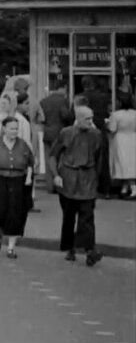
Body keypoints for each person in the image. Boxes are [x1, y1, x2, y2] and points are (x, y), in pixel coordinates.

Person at [50, 105, 107, 265]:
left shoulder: (96, 135)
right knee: (69, 216)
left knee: (87, 216)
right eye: (87, 119)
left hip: (87, 178)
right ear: (78, 119)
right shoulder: (66, 133)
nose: (91, 122)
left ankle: (90, 250)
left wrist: (97, 179)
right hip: (68, 177)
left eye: (92, 118)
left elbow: (99, 159)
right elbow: (53, 155)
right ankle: (70, 248)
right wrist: (56, 175)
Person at [0, 116, 35, 258]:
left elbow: (31, 163)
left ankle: (11, 247)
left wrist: (29, 178)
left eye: (16, 129)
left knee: (16, 213)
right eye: (11, 128)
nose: (14, 131)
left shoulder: (23, 145)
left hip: (18, 181)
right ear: (4, 129)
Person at [36, 82, 73, 191]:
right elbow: (65, 115)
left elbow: (41, 118)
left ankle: (50, 185)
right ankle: (59, 185)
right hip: (59, 133)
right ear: (63, 88)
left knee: (48, 158)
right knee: (58, 158)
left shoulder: (43, 101)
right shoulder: (62, 101)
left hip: (47, 133)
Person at [107, 92, 136, 199]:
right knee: (132, 163)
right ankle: (125, 188)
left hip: (120, 140)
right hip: (133, 138)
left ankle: (133, 188)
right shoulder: (134, 113)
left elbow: (112, 129)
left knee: (122, 164)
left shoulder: (116, 115)